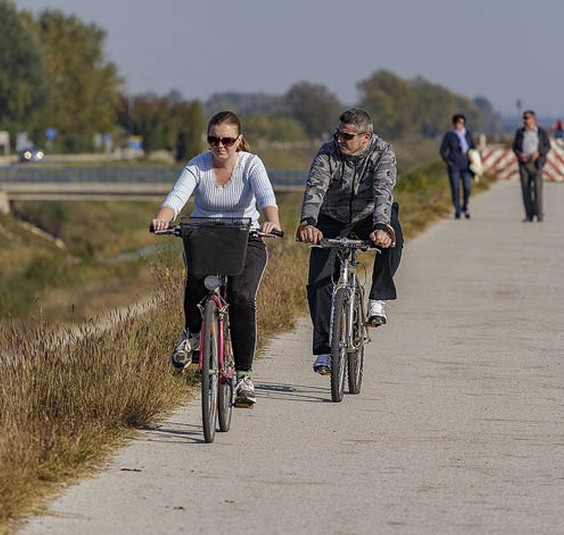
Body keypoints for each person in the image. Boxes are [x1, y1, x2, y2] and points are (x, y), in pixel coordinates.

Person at [150, 111, 281, 407]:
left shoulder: (251, 164)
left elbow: (266, 199)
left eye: (227, 140)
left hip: (245, 238)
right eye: (213, 139)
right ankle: (193, 334)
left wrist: (271, 221)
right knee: (196, 279)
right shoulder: (198, 165)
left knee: (242, 298)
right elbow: (176, 197)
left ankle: (244, 377)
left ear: (239, 141)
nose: (220, 146)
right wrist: (161, 218)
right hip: (206, 235)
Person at [296, 108, 403, 376]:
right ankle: (324, 349)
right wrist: (309, 222)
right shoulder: (327, 152)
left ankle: (378, 298)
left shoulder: (383, 152)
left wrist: (381, 227)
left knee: (394, 238)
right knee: (318, 280)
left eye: (347, 136)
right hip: (332, 215)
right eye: (338, 134)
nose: (340, 140)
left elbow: (383, 191)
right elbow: (315, 188)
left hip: (369, 216)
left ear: (366, 138)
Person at [512, 109, 551, 222]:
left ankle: (539, 214)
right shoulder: (520, 132)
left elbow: (547, 146)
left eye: (526, 118)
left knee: (538, 190)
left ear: (533, 119)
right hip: (524, 164)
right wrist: (520, 154)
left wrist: (538, 153)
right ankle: (529, 215)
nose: (524, 121)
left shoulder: (541, 132)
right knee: (525, 190)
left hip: (536, 163)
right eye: (523, 118)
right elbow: (515, 147)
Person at [439, 113, 477, 219]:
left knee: (467, 187)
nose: (460, 125)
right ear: (454, 123)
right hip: (454, 165)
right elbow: (443, 150)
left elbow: (473, 147)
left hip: (466, 165)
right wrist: (448, 161)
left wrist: (474, 159)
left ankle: (465, 206)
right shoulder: (449, 135)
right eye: (458, 123)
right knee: (455, 188)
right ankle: (457, 209)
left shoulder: (468, 134)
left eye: (462, 123)